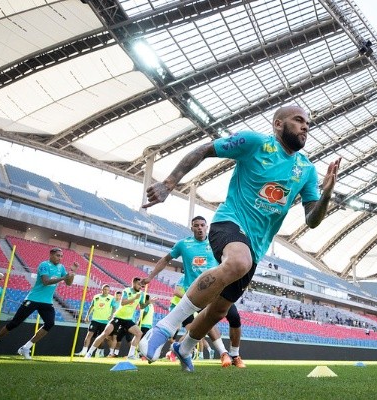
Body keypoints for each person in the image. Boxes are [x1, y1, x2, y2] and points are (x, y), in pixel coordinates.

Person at [139, 105, 341, 372]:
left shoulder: (306, 169)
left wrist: (326, 194)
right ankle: (164, 328)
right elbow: (204, 149)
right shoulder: (255, 143)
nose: (305, 126)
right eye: (298, 120)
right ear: (278, 124)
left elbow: (312, 221)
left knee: (219, 310)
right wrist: (169, 184)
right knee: (238, 262)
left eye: (308, 123)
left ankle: (184, 348)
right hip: (230, 221)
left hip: (257, 246)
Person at [141, 216, 242, 368]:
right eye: (196, 225)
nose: (199, 228)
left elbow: (228, 263)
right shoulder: (183, 244)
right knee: (208, 320)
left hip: (219, 289)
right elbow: (165, 259)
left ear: (207, 227)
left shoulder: (216, 242)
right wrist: (150, 277)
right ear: (192, 228)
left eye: (202, 225)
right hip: (197, 292)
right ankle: (223, 353)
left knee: (233, 317)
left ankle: (186, 350)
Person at [0, 248, 78, 359]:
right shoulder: (44, 265)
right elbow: (45, 282)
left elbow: (68, 283)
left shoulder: (61, 267)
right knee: (14, 323)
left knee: (50, 323)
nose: (59, 258)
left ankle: (26, 347)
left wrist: (72, 273)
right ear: (51, 255)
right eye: (57, 255)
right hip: (33, 299)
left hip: (47, 301)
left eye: (61, 256)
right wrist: (64, 277)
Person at [85, 277, 145, 359]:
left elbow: (142, 306)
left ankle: (131, 355)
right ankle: (89, 353)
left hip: (128, 319)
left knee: (139, 333)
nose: (140, 287)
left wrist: (147, 303)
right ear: (134, 283)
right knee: (105, 333)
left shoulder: (141, 294)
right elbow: (123, 303)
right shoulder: (126, 291)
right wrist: (134, 298)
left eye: (141, 285)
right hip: (118, 317)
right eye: (138, 284)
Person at [76, 284, 115, 357]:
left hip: (105, 321)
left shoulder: (111, 298)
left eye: (108, 290)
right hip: (95, 320)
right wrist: (87, 315)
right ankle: (84, 351)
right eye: (105, 289)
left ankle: (98, 352)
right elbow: (92, 306)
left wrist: (112, 315)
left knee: (102, 338)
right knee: (89, 335)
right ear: (102, 289)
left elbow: (114, 307)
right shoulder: (96, 297)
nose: (106, 291)